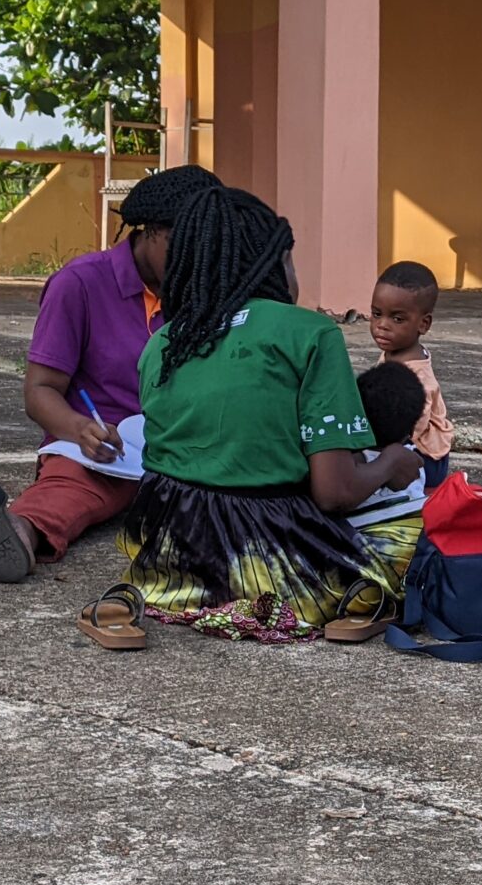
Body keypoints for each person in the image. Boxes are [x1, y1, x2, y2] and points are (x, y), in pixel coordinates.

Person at [74, 186, 425, 650]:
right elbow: (334, 492)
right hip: (273, 552)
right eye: (290, 260)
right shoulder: (311, 333)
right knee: (420, 529)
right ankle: (344, 594)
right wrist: (389, 463)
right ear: (275, 265)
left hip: (172, 551)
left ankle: (163, 597)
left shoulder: (163, 342)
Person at [0, 164, 224, 581]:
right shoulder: (79, 284)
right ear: (150, 230)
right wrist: (81, 429)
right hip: (109, 451)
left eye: (207, 249)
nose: (195, 260)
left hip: (186, 448)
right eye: (182, 245)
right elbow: (40, 391)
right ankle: (17, 532)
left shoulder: (207, 287)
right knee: (71, 489)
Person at [369, 260, 457, 487]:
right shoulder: (395, 352)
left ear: (423, 324)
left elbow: (412, 426)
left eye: (397, 319)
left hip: (426, 458)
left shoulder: (417, 377)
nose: (382, 325)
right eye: (377, 314)